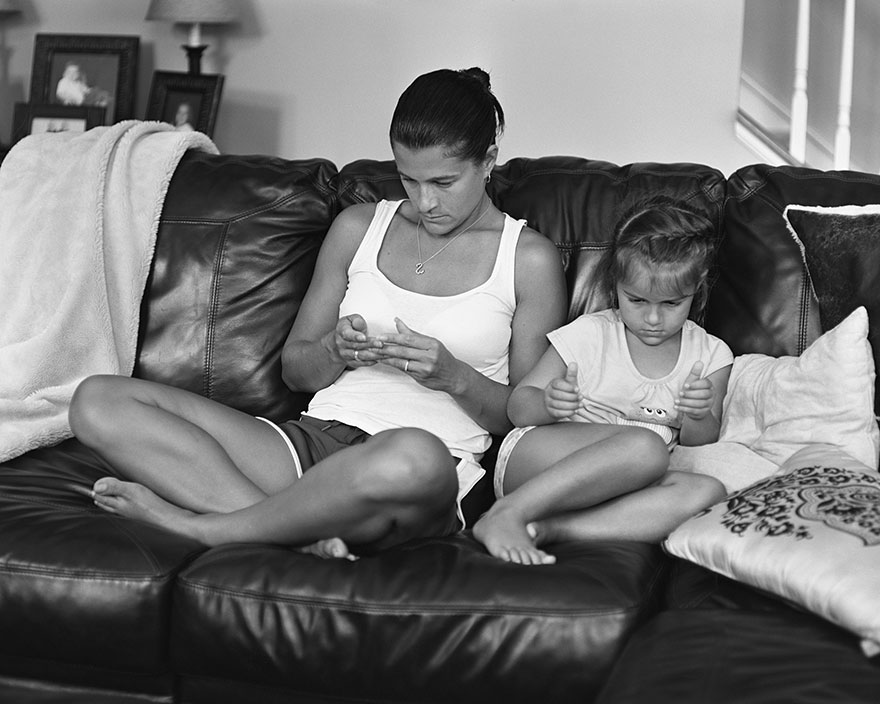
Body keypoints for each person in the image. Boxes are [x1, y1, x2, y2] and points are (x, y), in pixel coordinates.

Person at [68, 67, 567, 560]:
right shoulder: (358, 227)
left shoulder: (527, 259)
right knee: (97, 399)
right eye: (408, 179)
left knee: (413, 453)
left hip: (424, 466)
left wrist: (453, 376)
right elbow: (296, 369)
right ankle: (293, 531)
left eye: (444, 181)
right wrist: (333, 350)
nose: (426, 201)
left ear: (489, 161)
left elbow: (523, 420)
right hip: (312, 442)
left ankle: (209, 528)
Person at [473, 198, 733, 565]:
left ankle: (549, 529)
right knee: (646, 447)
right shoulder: (591, 333)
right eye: (637, 300)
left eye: (671, 304)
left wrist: (699, 413)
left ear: (698, 286)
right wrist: (547, 403)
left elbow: (700, 441)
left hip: (624, 484)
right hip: (538, 464)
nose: (653, 319)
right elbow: (518, 407)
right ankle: (508, 512)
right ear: (616, 284)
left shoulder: (711, 355)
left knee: (706, 492)